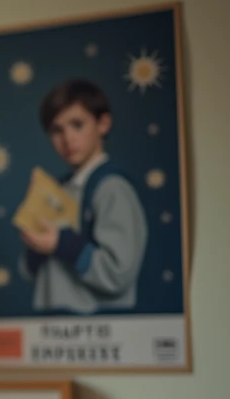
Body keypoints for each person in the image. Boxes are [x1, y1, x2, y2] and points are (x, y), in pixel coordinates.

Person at [19, 79, 147, 313]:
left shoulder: (112, 187)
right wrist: (35, 235)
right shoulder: (57, 190)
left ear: (103, 123)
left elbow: (118, 273)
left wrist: (61, 243)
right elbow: (29, 271)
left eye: (77, 125)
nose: (67, 139)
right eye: (57, 130)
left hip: (97, 331)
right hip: (51, 327)